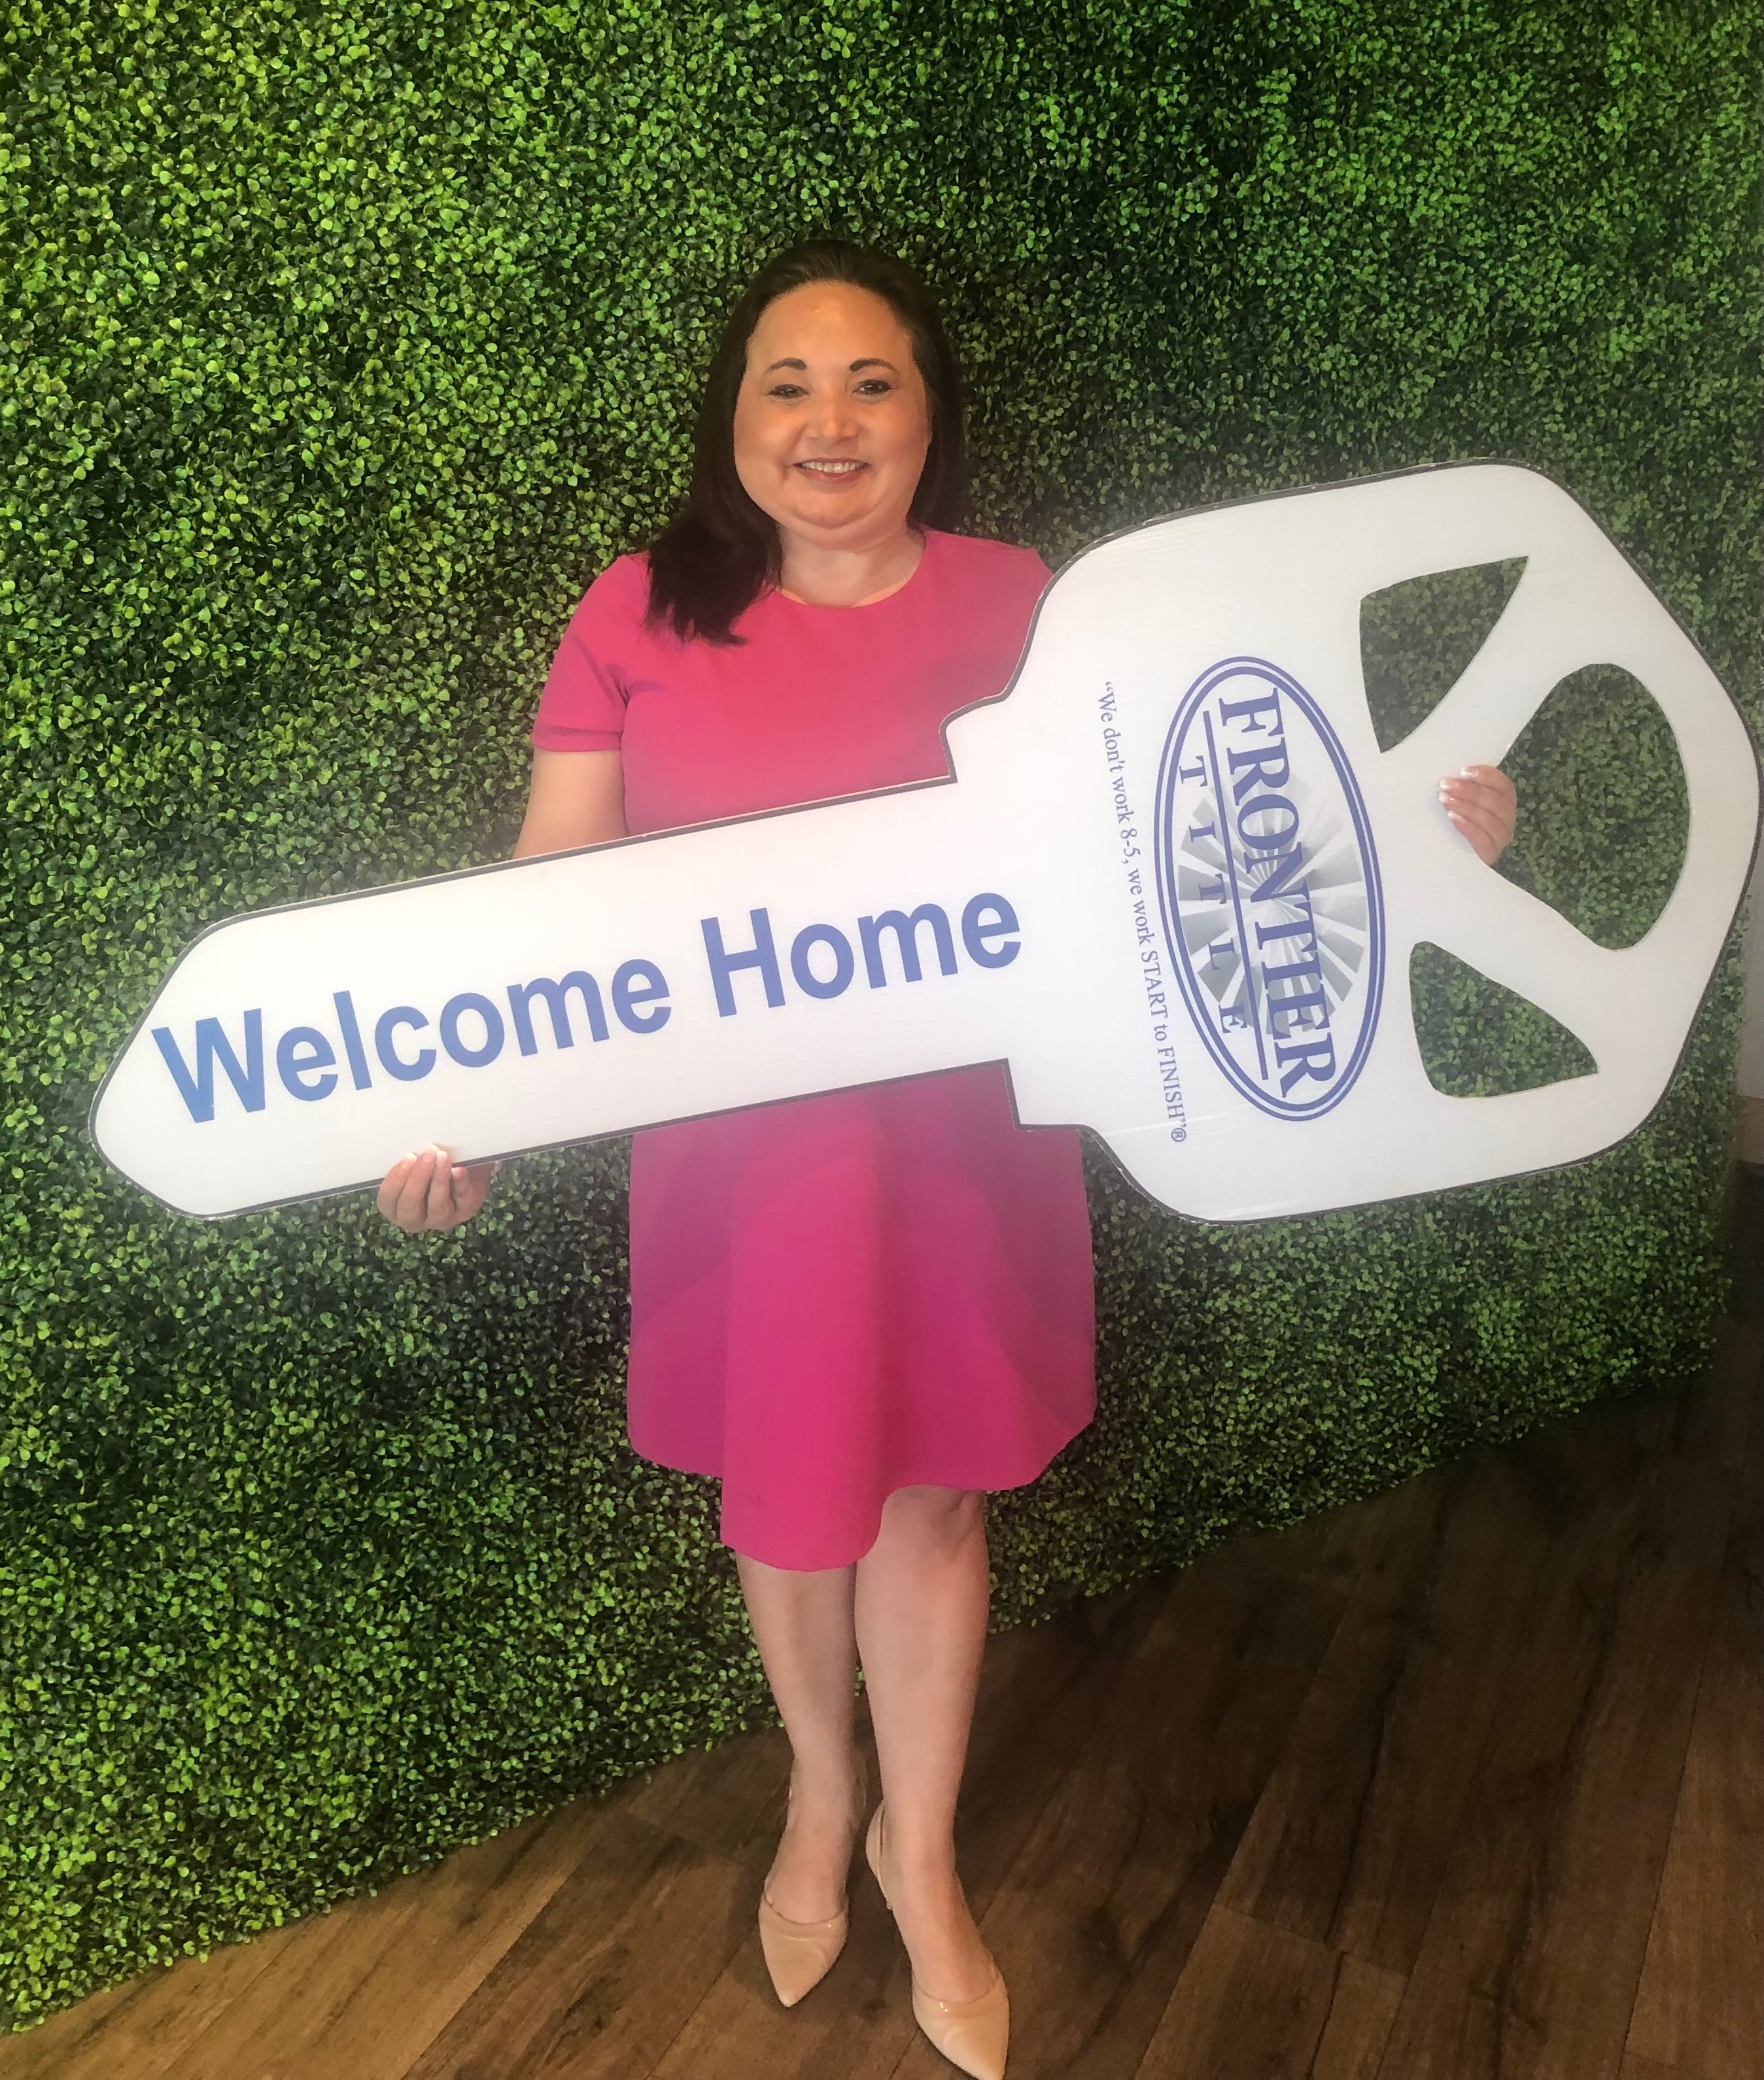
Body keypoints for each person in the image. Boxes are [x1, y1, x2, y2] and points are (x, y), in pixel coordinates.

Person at [375, 241, 1517, 2079]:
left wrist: (1421, 829)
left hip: (968, 1153)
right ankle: (819, 1796)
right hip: (741, 1169)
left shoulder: (1030, 605)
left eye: (871, 382)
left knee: (930, 1503)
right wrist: (469, 1114)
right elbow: (550, 900)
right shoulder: (635, 611)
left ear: (929, 416)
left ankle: (917, 1854)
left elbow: (1205, 834)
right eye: (786, 382)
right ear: (732, 418)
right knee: (785, 1493)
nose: (826, 422)